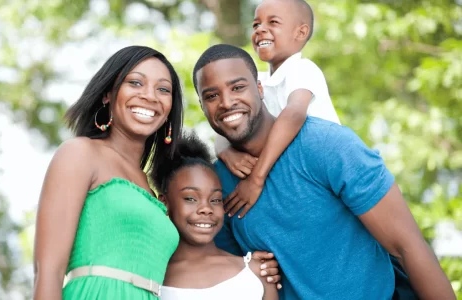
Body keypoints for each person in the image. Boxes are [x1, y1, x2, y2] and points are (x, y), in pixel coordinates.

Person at [193, 44, 456, 299]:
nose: (226, 102)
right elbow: (230, 278)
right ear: (203, 106)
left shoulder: (327, 145)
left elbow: (408, 247)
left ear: (260, 88)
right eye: (212, 96)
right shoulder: (216, 185)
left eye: (238, 87)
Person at [33, 45, 184, 299]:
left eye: (163, 89)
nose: (150, 96)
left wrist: (249, 266)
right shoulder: (80, 154)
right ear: (107, 94)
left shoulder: (153, 191)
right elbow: (48, 271)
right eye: (135, 83)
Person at [214, 0, 340, 218]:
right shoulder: (258, 83)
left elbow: (294, 115)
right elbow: (227, 124)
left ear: (300, 32)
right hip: (294, 182)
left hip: (329, 174)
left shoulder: (303, 69)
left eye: (273, 22)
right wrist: (227, 152)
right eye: (256, 24)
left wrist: (256, 178)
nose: (260, 29)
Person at [150, 132, 278, 300]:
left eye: (215, 199)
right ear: (164, 203)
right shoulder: (152, 278)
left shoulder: (256, 273)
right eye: (190, 198)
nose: (206, 208)